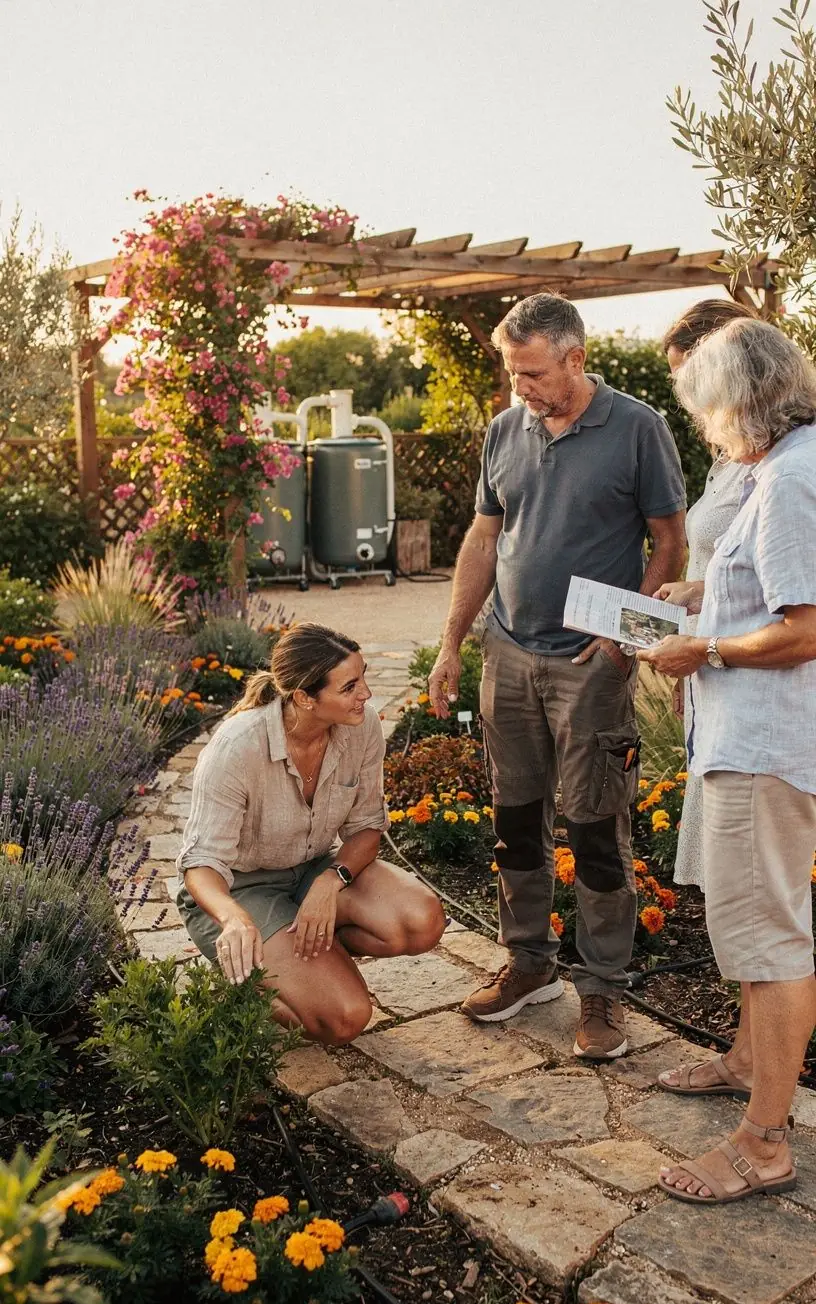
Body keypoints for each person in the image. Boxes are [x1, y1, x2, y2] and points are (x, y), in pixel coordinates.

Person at [429, 292, 687, 1059]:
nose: (522, 389)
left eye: (533, 373)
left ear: (575, 358)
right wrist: (454, 644)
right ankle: (529, 962)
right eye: (513, 374)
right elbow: (483, 538)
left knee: (598, 828)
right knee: (515, 821)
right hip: (508, 654)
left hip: (590, 664)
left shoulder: (639, 427)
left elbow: (670, 543)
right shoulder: (506, 429)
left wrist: (622, 640)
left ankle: (603, 991)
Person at [638, 318, 816, 1203]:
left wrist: (701, 652)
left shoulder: (790, 477)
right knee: (763, 937)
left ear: (742, 399)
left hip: (763, 743)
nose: (707, 431)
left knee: (770, 942)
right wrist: (709, 595)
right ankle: (757, 1089)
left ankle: (764, 1144)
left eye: (707, 413)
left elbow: (805, 629)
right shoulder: (785, 469)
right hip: (756, 740)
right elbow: (779, 586)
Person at [177, 622, 445, 1045]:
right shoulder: (236, 748)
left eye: (365, 677)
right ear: (304, 697)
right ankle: (256, 974)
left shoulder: (362, 726)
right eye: (350, 687)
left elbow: (367, 828)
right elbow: (201, 865)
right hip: (240, 892)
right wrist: (233, 919)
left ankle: (306, 960)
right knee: (345, 1019)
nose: (366, 695)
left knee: (420, 922)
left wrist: (330, 880)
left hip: (313, 870)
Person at [661, 298, 756, 889]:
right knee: (732, 898)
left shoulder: (779, 465)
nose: (685, 396)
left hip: (747, 684)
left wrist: (701, 596)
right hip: (710, 672)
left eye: (687, 377)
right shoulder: (728, 456)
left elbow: (780, 583)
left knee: (752, 893)